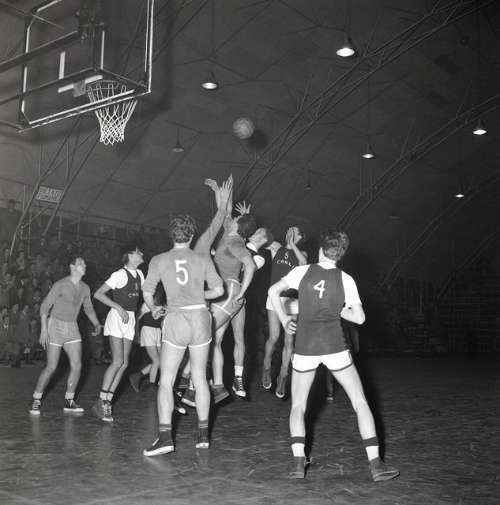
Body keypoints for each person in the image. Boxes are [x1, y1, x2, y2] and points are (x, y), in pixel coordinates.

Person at [268, 230, 399, 481]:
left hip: (305, 347)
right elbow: (359, 318)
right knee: (360, 402)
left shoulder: (302, 271)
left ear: (320, 249)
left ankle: (298, 463)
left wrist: (284, 320)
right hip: (334, 346)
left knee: (298, 405)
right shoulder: (346, 279)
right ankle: (376, 465)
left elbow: (273, 292)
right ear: (341, 255)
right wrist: (337, 309)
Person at [142, 178, 231, 456]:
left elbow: (147, 291)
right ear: (192, 236)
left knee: (167, 380)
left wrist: (154, 307)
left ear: (172, 235)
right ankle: (203, 435)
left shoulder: (159, 260)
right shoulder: (202, 259)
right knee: (201, 379)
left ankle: (165, 438)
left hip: (177, 319)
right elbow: (219, 291)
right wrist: (198, 295)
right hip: (201, 319)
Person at [29, 256, 101, 415]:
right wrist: (44, 330)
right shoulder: (60, 284)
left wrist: (96, 323)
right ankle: (36, 399)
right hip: (55, 326)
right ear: (72, 267)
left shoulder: (85, 288)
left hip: (72, 327)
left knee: (77, 365)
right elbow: (44, 307)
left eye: (84, 263)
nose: (84, 265)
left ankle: (69, 400)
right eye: (81, 263)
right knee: (51, 367)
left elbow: (88, 308)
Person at [209, 199, 257, 401]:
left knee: (204, 336)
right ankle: (226, 383)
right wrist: (221, 194)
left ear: (238, 226)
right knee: (219, 341)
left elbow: (251, 265)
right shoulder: (230, 233)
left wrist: (242, 292)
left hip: (229, 293)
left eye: (236, 219)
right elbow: (225, 212)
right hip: (234, 297)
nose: (232, 218)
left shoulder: (234, 241)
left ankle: (190, 384)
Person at [92, 245, 145, 422]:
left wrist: (154, 309)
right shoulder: (119, 274)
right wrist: (118, 307)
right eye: (138, 252)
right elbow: (98, 294)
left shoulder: (140, 275)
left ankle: (108, 400)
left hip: (130, 318)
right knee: (117, 361)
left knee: (124, 363)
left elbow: (145, 296)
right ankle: (101, 401)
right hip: (117, 316)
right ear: (129, 256)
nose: (141, 254)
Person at [262, 226, 308, 399]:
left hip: (293, 301)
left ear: (300, 236)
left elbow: (303, 263)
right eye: (289, 229)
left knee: (289, 340)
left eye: (295, 230)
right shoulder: (276, 247)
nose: (290, 231)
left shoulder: (302, 253)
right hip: (275, 298)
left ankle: (283, 376)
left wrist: (292, 244)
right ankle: (266, 368)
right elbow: (258, 239)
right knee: (273, 337)